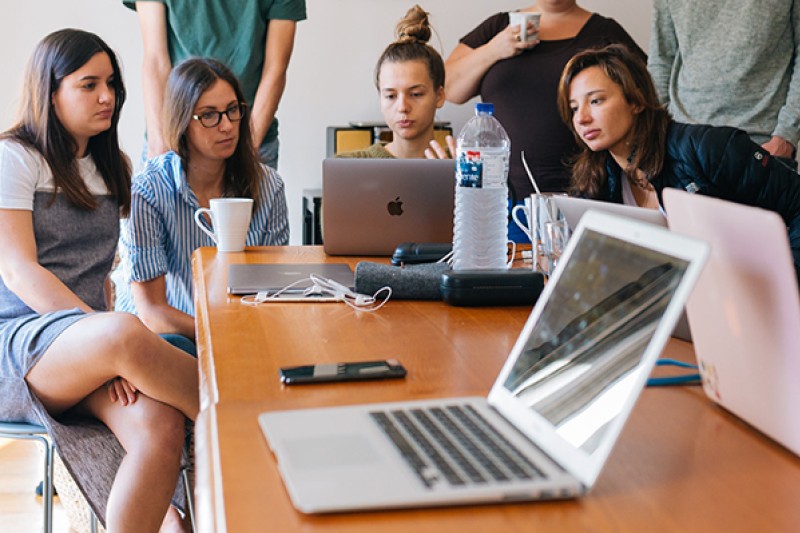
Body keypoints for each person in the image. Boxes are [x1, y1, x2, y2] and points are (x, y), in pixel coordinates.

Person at [0, 29, 198, 532]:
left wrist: (106, 347)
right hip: (21, 346)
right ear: (51, 90)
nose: (107, 96)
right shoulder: (13, 158)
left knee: (160, 425)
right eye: (88, 84)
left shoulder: (111, 168)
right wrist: (104, 341)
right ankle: (250, 422)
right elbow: (19, 270)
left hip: (91, 348)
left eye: (111, 83)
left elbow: (102, 276)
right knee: (127, 331)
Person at [556, 44, 800, 283]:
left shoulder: (708, 148)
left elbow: (796, 203)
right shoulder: (595, 180)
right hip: (673, 309)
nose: (582, 118)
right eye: (574, 108)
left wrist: (784, 286)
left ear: (636, 101)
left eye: (596, 101)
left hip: (742, 302)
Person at [116, 58, 289, 352]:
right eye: (209, 115)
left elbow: (272, 292)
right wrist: (222, 331)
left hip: (242, 333)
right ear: (182, 122)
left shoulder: (269, 186)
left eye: (233, 111)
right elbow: (153, 313)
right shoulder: (148, 189)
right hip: (166, 339)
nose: (227, 126)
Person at [444, 1, 644, 241]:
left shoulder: (604, 31)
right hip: (502, 203)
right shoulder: (499, 26)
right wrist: (494, 50)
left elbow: (642, 96)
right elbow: (449, 88)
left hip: (585, 200)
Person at [123, 0, 306, 169]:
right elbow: (156, 60)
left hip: (250, 136)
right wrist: (159, 146)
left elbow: (275, 69)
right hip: (177, 140)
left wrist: (248, 148)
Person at [647, 1, 800, 168]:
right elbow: (661, 59)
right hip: (683, 145)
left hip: (760, 148)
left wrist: (785, 137)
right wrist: (656, 135)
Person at [337, 4, 454, 160]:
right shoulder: (347, 166)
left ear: (439, 96)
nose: (402, 107)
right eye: (391, 96)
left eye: (416, 94)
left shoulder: (465, 168)